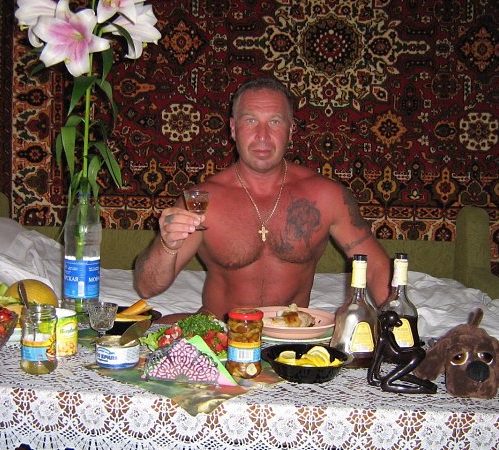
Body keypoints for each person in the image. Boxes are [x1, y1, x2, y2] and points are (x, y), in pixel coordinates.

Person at [134, 77, 391, 321]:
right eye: (250, 121)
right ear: (233, 129)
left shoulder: (327, 196)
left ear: (291, 130)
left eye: (275, 122)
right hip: (219, 332)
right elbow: (147, 287)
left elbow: (375, 267)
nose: (262, 136)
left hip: (291, 333)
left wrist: (396, 323)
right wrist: (167, 244)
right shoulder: (201, 202)